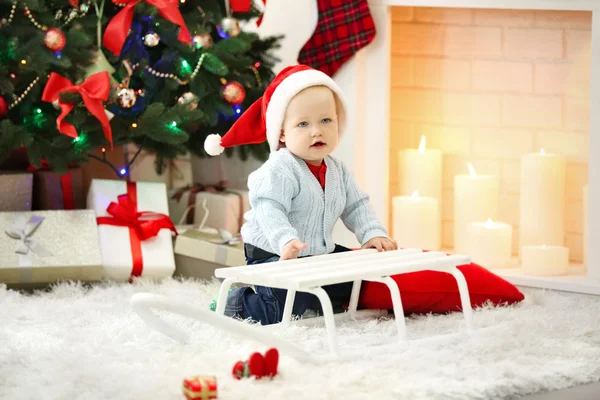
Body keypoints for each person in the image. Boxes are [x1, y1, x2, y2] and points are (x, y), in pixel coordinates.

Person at [204, 64, 397, 325]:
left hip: (316, 251)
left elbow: (356, 206)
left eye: (326, 120)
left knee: (354, 278)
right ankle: (236, 302)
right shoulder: (280, 169)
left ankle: (321, 299)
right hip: (273, 251)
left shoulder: (337, 170)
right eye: (303, 124)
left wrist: (372, 233)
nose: (316, 131)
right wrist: (286, 240)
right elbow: (269, 209)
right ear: (283, 133)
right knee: (284, 305)